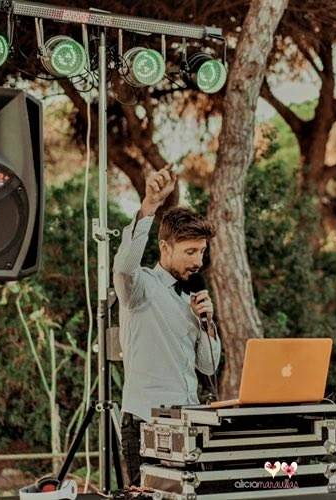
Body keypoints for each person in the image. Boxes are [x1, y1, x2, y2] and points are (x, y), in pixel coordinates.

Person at [113, 165, 221, 486]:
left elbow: (207, 365)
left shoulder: (191, 299)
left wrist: (207, 324)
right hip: (146, 423)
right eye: (190, 252)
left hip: (189, 423)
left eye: (201, 251)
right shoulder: (140, 288)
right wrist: (149, 208)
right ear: (165, 248)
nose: (198, 261)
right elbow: (123, 267)